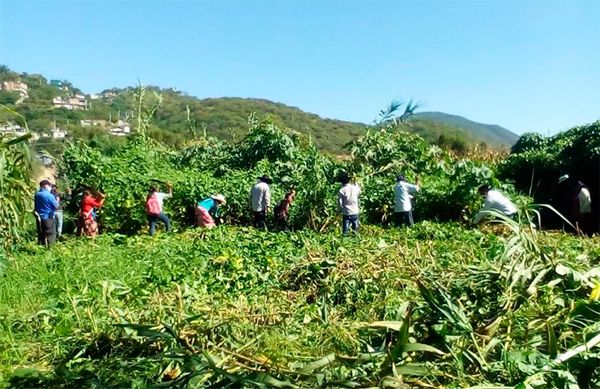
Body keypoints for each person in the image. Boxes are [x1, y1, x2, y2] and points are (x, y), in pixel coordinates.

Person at [34, 180, 58, 247]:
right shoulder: (49, 195)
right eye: (49, 186)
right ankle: (50, 249)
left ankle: (41, 248)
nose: (50, 188)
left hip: (39, 217)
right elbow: (56, 206)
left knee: (41, 234)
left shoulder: (37, 194)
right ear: (45, 186)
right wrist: (57, 200)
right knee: (51, 234)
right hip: (48, 218)